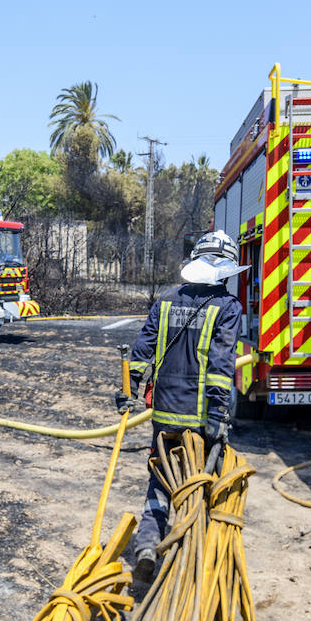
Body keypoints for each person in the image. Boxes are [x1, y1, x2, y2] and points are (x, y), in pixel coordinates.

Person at [117, 230, 245, 583]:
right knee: (201, 488)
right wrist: (219, 415)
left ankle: (146, 546)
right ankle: (191, 558)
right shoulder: (228, 307)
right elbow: (221, 367)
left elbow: (142, 349)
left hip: (164, 413)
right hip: (201, 419)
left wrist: (129, 390)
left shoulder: (166, 300)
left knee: (160, 482)